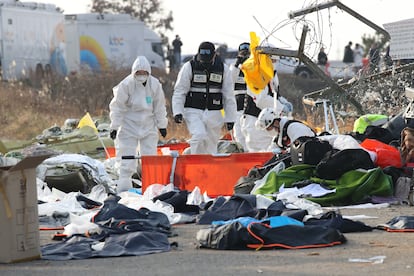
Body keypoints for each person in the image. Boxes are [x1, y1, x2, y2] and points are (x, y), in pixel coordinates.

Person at [109, 55, 168, 193]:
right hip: (128, 125)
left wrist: (162, 125)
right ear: (133, 72)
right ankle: (124, 191)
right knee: (127, 159)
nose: (141, 75)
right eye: (138, 73)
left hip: (148, 126)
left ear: (148, 72)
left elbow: (159, 106)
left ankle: (150, 190)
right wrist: (114, 126)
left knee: (149, 159)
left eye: (144, 73)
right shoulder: (126, 85)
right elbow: (117, 107)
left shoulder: (155, 85)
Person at [172, 41, 237, 154]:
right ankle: (195, 162)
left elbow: (229, 96)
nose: (205, 63)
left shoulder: (223, 69)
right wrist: (177, 111)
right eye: (202, 60)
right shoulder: (189, 67)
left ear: (214, 55)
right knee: (199, 135)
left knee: (211, 143)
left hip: (214, 111)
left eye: (208, 60)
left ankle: (208, 168)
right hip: (193, 110)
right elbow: (179, 91)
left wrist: (230, 118)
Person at [229, 42, 251, 150]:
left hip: (251, 106)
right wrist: (238, 64)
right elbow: (229, 82)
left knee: (250, 133)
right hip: (237, 105)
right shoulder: (234, 68)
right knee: (238, 134)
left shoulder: (254, 68)